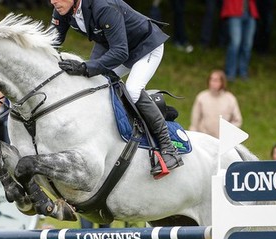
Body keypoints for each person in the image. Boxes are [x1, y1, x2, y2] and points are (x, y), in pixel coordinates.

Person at [50, 0, 183, 178]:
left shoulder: (103, 7)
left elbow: (121, 52)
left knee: (133, 90)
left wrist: (84, 67)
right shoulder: (62, 10)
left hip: (145, 45)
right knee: (92, 86)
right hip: (113, 44)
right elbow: (51, 43)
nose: (52, 1)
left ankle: (168, 147)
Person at [189, 70, 242, 138]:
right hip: (204, 138)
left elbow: (237, 121)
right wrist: (193, 136)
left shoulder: (230, 99)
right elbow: (195, 121)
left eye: (216, 80)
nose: (213, 83)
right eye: (211, 80)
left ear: (222, 82)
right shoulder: (202, 97)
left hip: (222, 140)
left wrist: (227, 133)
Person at [221, 0, 258, 81]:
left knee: (247, 45)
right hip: (234, 12)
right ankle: (230, 73)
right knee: (235, 43)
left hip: (250, 12)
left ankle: (243, 72)